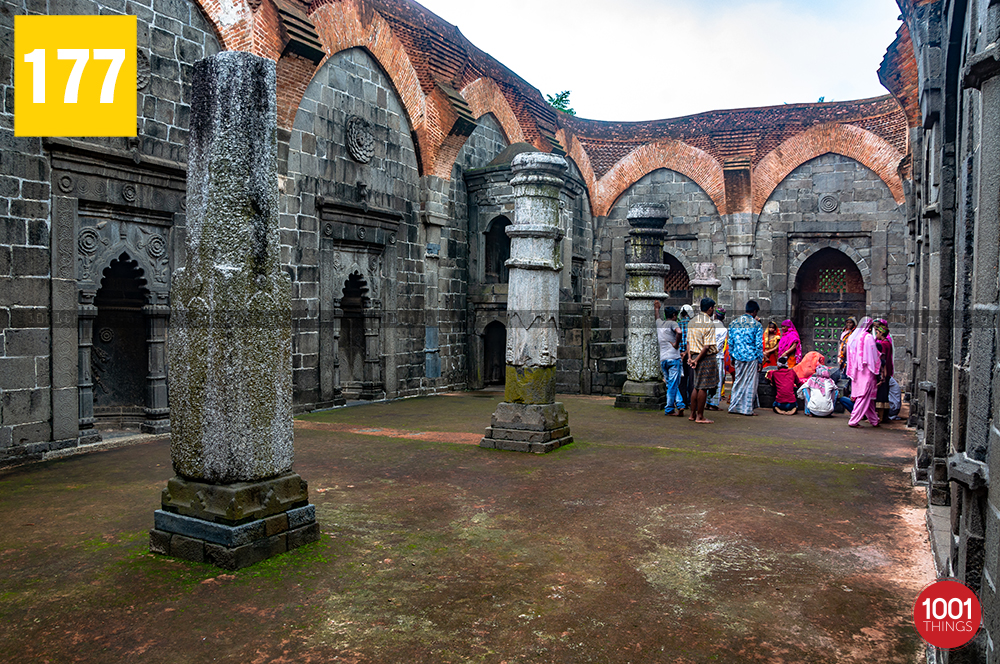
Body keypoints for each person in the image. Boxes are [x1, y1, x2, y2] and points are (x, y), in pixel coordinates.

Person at [728, 300, 764, 416]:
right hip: (751, 357)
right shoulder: (757, 325)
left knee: (738, 381)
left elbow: (730, 342)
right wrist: (760, 360)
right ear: (754, 311)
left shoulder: (734, 323)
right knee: (750, 383)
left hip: (738, 356)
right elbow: (758, 345)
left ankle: (734, 406)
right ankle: (747, 409)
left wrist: (732, 356)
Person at [686, 297, 719, 424]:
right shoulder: (708, 323)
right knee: (703, 387)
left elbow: (688, 343)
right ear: (710, 308)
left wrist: (690, 358)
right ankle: (700, 416)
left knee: (696, 385)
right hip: (705, 357)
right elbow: (707, 346)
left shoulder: (692, 321)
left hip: (694, 355)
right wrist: (698, 360)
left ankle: (693, 414)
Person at [846, 317, 881, 427]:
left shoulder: (853, 337)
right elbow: (873, 355)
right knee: (864, 396)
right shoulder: (868, 337)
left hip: (856, 371)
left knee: (867, 397)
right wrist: (878, 363)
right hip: (867, 370)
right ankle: (854, 420)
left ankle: (874, 420)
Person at [653, 300, 685, 417]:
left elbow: (657, 317)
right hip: (673, 358)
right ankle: (670, 408)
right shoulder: (673, 323)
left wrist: (657, 308)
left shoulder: (660, 324)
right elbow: (679, 332)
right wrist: (677, 344)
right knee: (672, 384)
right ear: (673, 316)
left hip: (663, 359)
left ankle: (680, 404)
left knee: (671, 384)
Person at [872, 320, 894, 423]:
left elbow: (882, 360)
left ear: (881, 333)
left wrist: (881, 375)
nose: (876, 334)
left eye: (877, 332)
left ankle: (880, 417)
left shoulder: (884, 344)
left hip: (883, 372)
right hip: (888, 371)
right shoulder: (888, 342)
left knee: (881, 395)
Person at [707, 307, 728, 410]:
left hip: (707, 355)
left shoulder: (709, 325)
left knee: (708, 379)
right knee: (718, 380)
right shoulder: (723, 329)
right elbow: (719, 345)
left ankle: (707, 401)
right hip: (717, 356)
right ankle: (713, 403)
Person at [678, 304, 695, 408]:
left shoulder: (678, 324)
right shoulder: (693, 325)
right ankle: (692, 402)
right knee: (692, 381)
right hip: (691, 355)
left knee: (682, 381)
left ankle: (683, 402)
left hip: (680, 356)